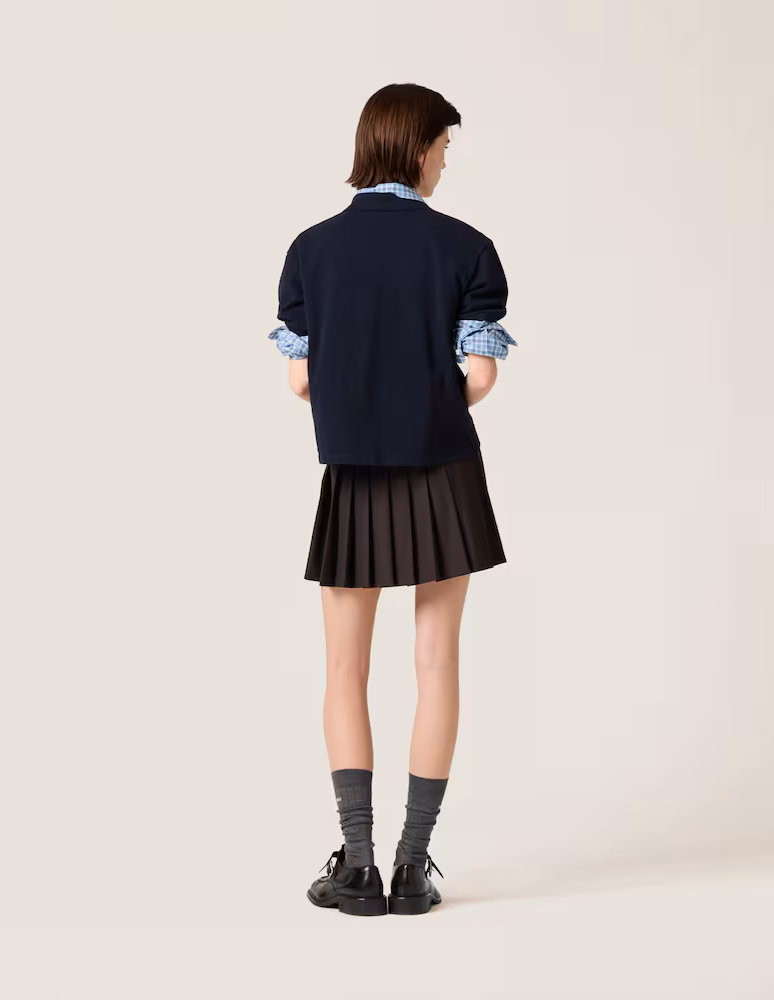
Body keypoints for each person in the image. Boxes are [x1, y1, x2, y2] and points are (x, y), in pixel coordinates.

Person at [267, 83, 516, 916]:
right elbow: (479, 376)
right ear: (415, 148)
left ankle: (358, 867)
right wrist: (427, 398)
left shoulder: (311, 250)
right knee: (436, 662)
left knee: (345, 669)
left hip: (354, 476)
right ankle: (413, 869)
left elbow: (302, 381)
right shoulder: (467, 248)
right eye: (444, 148)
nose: (445, 163)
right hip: (445, 473)